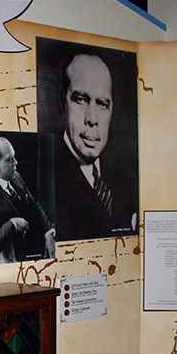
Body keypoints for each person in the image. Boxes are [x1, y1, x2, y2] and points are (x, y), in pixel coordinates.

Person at [55, 52, 137, 240]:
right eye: (81, 100)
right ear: (63, 102)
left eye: (102, 104)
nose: (92, 119)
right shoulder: (44, 179)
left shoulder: (124, 182)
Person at [0, 136, 55, 264]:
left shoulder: (15, 177)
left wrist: (48, 231)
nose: (16, 162)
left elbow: (33, 203)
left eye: (14, 157)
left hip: (37, 250)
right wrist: (11, 225)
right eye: (10, 159)